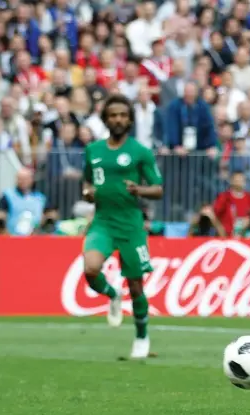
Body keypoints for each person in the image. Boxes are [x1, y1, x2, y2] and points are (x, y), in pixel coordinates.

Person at [82, 94, 163, 359]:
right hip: (102, 222)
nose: (118, 119)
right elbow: (87, 183)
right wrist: (88, 192)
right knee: (91, 268)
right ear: (105, 119)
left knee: (136, 285)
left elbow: (159, 189)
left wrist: (139, 189)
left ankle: (141, 336)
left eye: (123, 115)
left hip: (130, 225)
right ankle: (112, 294)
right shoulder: (93, 150)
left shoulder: (140, 152)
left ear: (129, 120)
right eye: (113, 115)